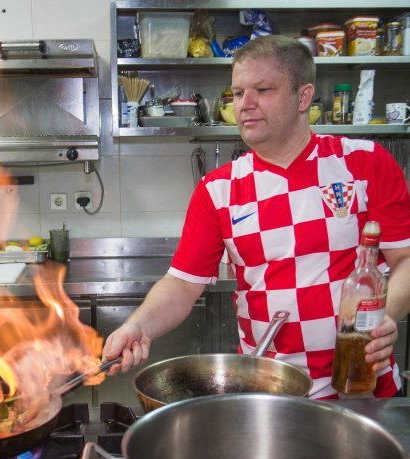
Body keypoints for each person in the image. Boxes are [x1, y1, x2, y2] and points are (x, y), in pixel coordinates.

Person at [102, 35, 410, 399]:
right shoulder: (218, 190)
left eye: (263, 90)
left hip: (363, 386)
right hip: (270, 391)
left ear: (303, 97)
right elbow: (182, 285)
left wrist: (384, 318)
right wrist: (138, 326)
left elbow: (404, 259)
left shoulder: (364, 162)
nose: (244, 105)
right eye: (237, 93)